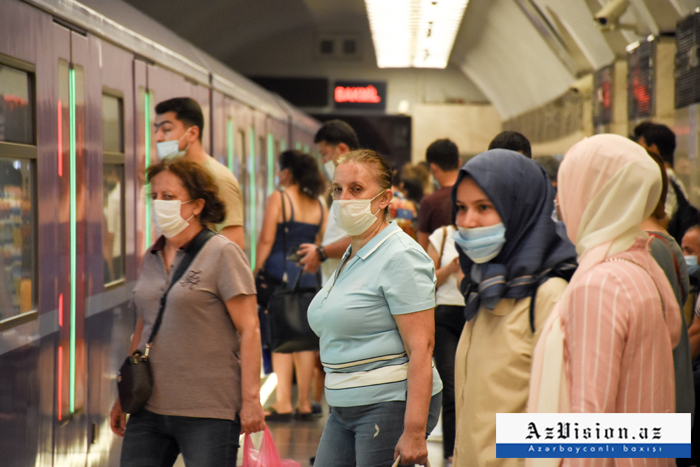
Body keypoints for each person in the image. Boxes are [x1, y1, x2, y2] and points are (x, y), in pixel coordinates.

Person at [528, 134, 681, 467]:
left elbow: (588, 423)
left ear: (591, 194)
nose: (560, 203)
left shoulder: (600, 284)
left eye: (567, 187)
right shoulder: (641, 264)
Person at [109, 158, 265, 466]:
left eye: (169, 197)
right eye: (154, 196)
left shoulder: (223, 253)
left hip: (209, 411)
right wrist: (123, 396)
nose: (158, 204)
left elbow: (250, 329)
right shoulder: (151, 256)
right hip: (149, 407)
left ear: (196, 206)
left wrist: (250, 401)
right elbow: (142, 330)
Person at [307, 149, 442, 467]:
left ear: (384, 199)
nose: (344, 199)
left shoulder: (400, 256)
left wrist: (414, 432)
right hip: (344, 405)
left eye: (356, 189)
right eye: (337, 190)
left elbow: (421, 347)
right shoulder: (355, 251)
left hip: (387, 403)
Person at [450, 149, 577, 467]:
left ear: (519, 209)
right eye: (461, 208)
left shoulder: (548, 296)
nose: (468, 222)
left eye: (484, 207)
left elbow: (563, 416)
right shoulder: (484, 288)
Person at [253, 150, 327, 421]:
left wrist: (255, 270)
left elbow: (265, 239)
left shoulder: (280, 198)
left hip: (278, 276)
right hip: (307, 276)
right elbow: (321, 240)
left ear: (287, 172)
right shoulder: (319, 203)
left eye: (279, 169)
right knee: (305, 338)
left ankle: (284, 402)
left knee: (282, 336)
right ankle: (305, 403)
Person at [154, 97, 245, 249]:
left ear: (192, 133)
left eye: (167, 129)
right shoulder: (173, 175)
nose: (158, 137)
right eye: (156, 129)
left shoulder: (217, 178)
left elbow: (233, 242)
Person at [297, 119, 358, 282]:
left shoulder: (356, 188)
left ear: (342, 149)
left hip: (348, 285)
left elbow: (362, 239)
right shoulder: (343, 187)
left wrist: (322, 252)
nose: (322, 161)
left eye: (324, 153)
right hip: (338, 282)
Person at [426, 223, 464, 466]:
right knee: (450, 388)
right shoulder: (442, 235)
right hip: (445, 318)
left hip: (477, 315)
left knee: (473, 388)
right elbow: (426, 278)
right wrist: (451, 268)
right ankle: (451, 454)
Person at [417, 139, 460, 252]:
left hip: (440, 267)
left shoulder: (429, 202)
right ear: (459, 162)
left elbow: (423, 249)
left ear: (433, 167)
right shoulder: (472, 194)